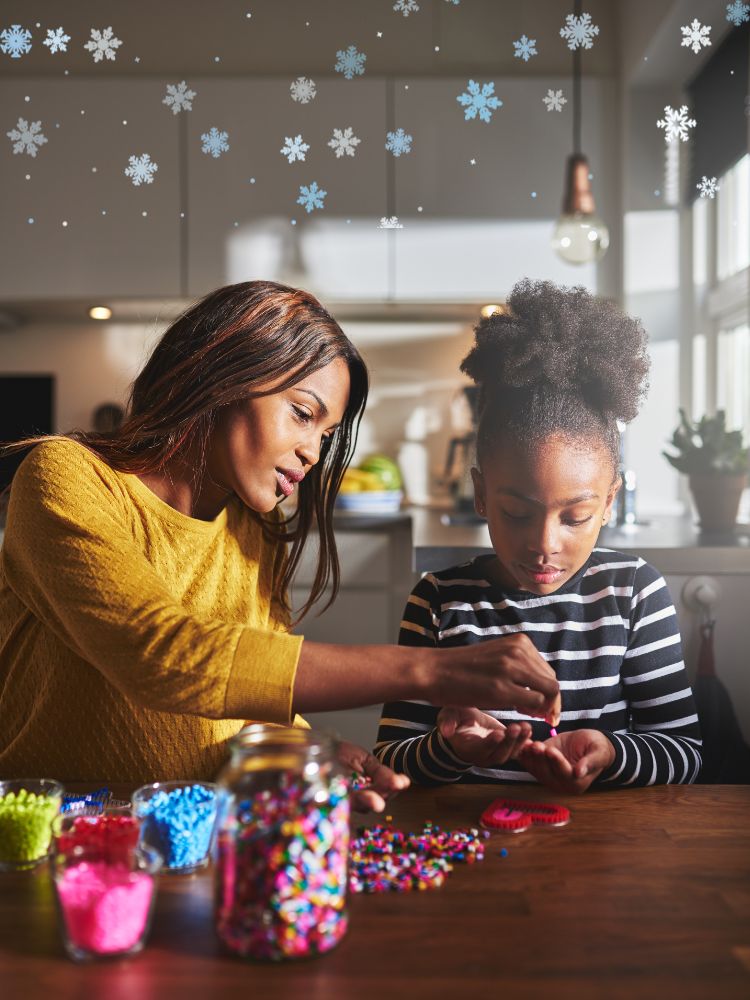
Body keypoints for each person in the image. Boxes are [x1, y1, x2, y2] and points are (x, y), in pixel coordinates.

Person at [0, 280, 560, 811]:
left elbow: (244, 701)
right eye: (302, 413)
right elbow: (160, 655)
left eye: (325, 434)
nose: (314, 452)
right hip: (55, 836)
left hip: (199, 841)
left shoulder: (255, 530)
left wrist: (306, 753)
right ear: (224, 377)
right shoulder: (66, 477)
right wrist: (431, 671)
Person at [375, 279, 702, 793]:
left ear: (609, 502)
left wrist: (611, 753)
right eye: (516, 513)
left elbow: (683, 752)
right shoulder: (439, 602)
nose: (545, 543)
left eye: (574, 517)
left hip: (602, 857)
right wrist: (448, 748)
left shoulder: (634, 593)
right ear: (481, 494)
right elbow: (389, 761)